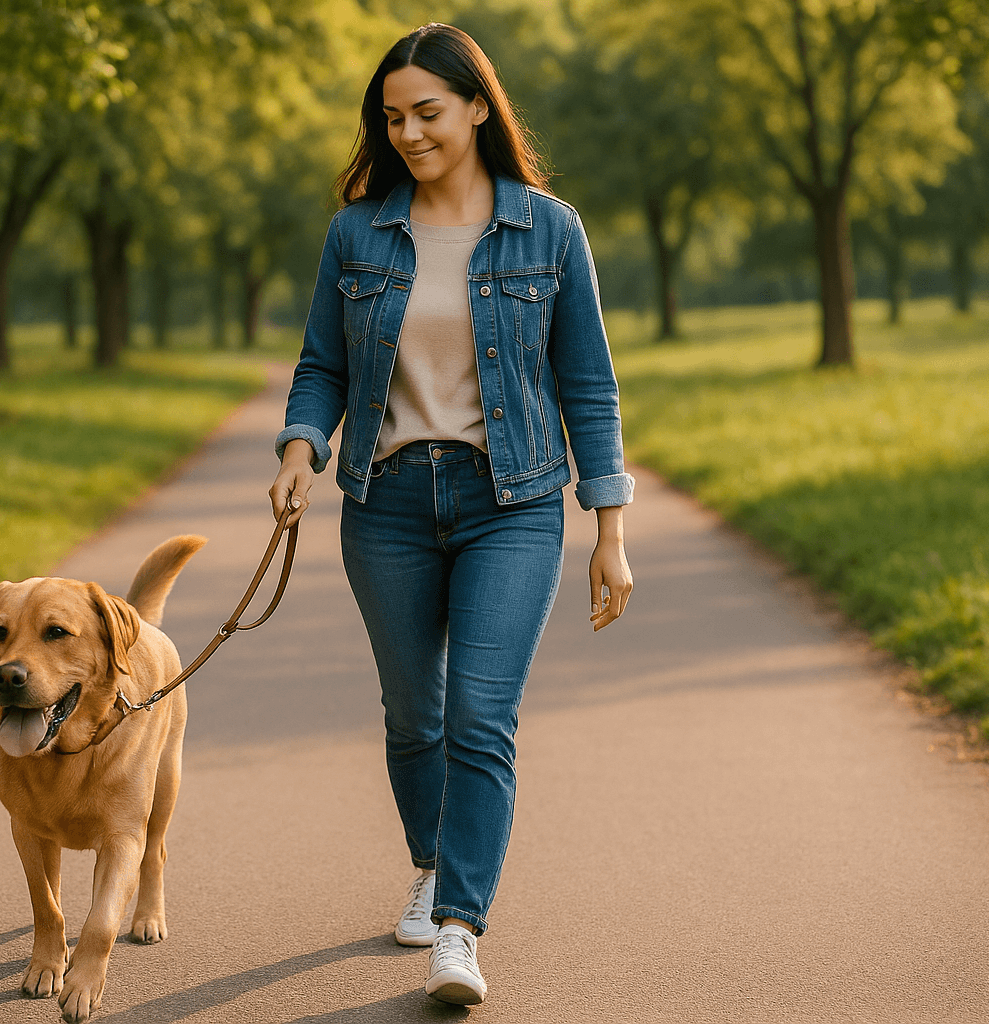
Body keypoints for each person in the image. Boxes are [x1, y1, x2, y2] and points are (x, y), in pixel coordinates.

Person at [268, 22, 634, 1007]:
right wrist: (302, 448)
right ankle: (431, 863)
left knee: (480, 713)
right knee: (413, 713)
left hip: (508, 503)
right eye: (393, 118)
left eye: (428, 111)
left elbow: (588, 387)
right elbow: (322, 365)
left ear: (478, 106)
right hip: (384, 503)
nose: (410, 133)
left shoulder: (548, 229)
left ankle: (460, 927)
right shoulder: (358, 232)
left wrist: (611, 528)